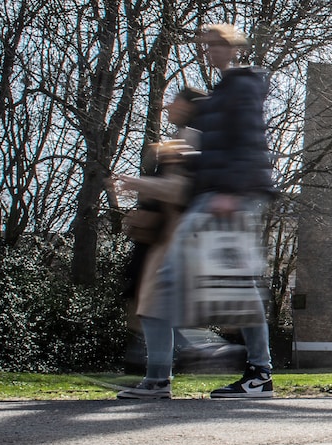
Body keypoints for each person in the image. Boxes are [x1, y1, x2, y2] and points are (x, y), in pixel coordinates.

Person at [154, 23, 278, 399]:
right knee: (241, 284)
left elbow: (250, 141)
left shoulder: (241, 86)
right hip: (220, 193)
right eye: (203, 45)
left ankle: (199, 347)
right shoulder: (223, 91)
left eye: (213, 44)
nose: (207, 51)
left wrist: (233, 191)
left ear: (231, 47)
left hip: (227, 196)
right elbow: (222, 144)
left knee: (171, 272)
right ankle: (258, 371)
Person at [113, 87, 206, 400]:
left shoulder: (189, 138)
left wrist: (135, 182)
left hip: (174, 236)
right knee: (155, 309)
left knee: (155, 308)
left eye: (175, 101)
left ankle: (195, 357)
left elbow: (178, 189)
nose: (168, 105)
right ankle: (160, 377)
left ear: (188, 107)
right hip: (172, 236)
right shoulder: (184, 138)